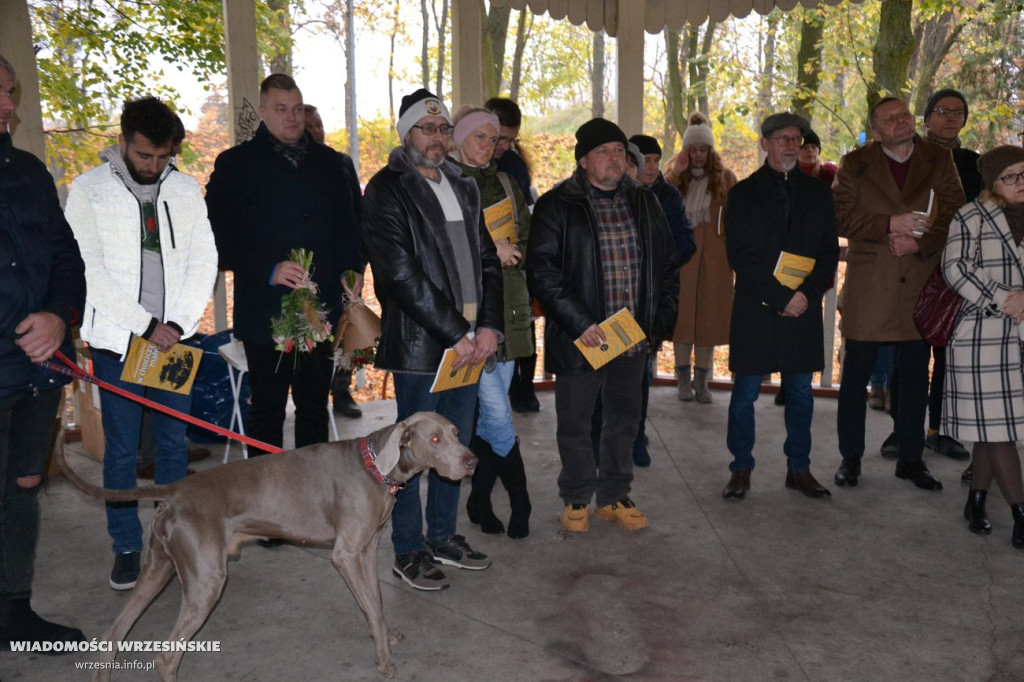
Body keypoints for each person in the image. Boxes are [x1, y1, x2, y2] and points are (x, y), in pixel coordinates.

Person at [65, 96, 219, 589]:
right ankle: (127, 546)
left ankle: (172, 539)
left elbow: (204, 260)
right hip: (118, 341)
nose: (153, 166)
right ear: (123, 143)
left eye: (163, 157)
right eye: (143, 156)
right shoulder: (87, 191)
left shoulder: (186, 189)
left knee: (175, 444)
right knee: (123, 450)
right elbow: (89, 271)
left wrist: (174, 323)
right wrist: (144, 325)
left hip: (175, 341)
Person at [363, 89, 502, 590]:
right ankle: (408, 550)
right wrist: (457, 333)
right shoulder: (387, 189)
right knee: (411, 455)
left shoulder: (463, 185)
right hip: (425, 345)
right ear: (406, 134)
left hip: (468, 343)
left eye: (444, 129)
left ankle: (444, 535)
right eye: (427, 129)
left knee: (455, 449)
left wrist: (487, 326)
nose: (438, 138)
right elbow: (401, 275)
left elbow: (487, 260)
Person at [205, 75, 364, 476]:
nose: (291, 118)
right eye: (281, 109)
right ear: (262, 112)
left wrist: (354, 269)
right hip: (265, 312)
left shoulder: (332, 163)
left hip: (322, 307)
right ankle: (266, 508)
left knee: (314, 407)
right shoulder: (235, 165)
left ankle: (310, 503)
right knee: (268, 410)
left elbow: (353, 227)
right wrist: (267, 269)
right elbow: (215, 237)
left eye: (297, 108)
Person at [528, 118, 680, 533]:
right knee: (576, 422)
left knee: (624, 420)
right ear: (583, 161)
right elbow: (542, 272)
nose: (614, 159)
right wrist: (580, 324)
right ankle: (576, 498)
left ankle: (614, 495)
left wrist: (659, 321)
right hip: (583, 338)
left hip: (630, 338)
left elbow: (668, 265)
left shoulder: (645, 201)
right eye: (603, 152)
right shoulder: (558, 204)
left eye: (619, 151)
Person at [832, 96, 965, 491]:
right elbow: (839, 215)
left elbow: (957, 215)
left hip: (919, 285)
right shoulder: (855, 163)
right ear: (876, 131)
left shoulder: (939, 161)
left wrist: (919, 245)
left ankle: (911, 459)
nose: (902, 121)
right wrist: (890, 224)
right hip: (870, 288)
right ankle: (850, 458)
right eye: (891, 119)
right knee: (855, 379)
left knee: (914, 381)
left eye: (905, 114)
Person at [0, 53, 87, 649]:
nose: (8, 107)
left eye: (11, 93)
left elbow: (66, 259)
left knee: (25, 487)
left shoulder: (30, 172)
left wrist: (58, 318)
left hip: (35, 372)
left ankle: (14, 609)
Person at [721, 113, 839, 500]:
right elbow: (741, 257)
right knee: (745, 394)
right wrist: (782, 296)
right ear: (764, 144)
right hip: (758, 306)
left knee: (801, 393)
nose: (791, 145)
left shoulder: (819, 193)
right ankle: (741, 467)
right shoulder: (741, 194)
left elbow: (827, 252)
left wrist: (806, 294)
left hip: (803, 308)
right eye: (782, 138)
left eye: (796, 138)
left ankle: (799, 468)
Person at [449, 107, 533, 539]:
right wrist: (488, 248)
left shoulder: (504, 181)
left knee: (488, 420)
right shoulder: (443, 181)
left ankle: (480, 500)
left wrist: (514, 246)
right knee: (498, 417)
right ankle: (522, 503)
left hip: (509, 311)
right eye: (481, 137)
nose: (492, 145)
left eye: (497, 138)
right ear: (458, 138)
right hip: (467, 318)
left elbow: (527, 233)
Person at [942, 146, 1024, 548]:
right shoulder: (971, 216)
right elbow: (954, 268)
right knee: (998, 430)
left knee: (996, 425)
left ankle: (976, 500)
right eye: (1010, 176)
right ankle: (1020, 511)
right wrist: (1006, 297)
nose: (1020, 183)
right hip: (981, 337)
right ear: (993, 183)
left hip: (1021, 336)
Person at [921, 88, 982, 467]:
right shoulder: (908, 156)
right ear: (926, 118)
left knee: (947, 355)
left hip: (956, 270)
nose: (950, 118)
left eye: (958, 112)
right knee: (907, 353)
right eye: (942, 111)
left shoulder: (975, 164)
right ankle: (904, 429)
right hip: (912, 266)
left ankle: (940, 430)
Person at [665, 112, 738, 403]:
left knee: (709, 319)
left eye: (703, 149)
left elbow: (737, 220)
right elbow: (658, 199)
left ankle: (701, 380)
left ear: (711, 150)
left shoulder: (725, 179)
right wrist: (675, 172)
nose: (697, 155)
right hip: (683, 260)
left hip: (716, 261)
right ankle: (682, 378)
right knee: (682, 320)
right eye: (692, 149)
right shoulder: (676, 178)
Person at [302, 102, 363, 420]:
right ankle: (312, 397)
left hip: (343, 270)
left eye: (319, 124)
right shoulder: (295, 168)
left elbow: (357, 215)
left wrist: (357, 266)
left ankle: (342, 392)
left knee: (344, 335)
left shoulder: (342, 163)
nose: (314, 131)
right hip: (306, 273)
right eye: (308, 125)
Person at [485, 97, 539, 414]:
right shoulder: (463, 164)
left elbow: (523, 218)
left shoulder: (514, 166)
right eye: (497, 137)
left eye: (510, 139)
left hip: (514, 265)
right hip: (484, 271)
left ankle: (524, 387)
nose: (503, 145)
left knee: (522, 326)